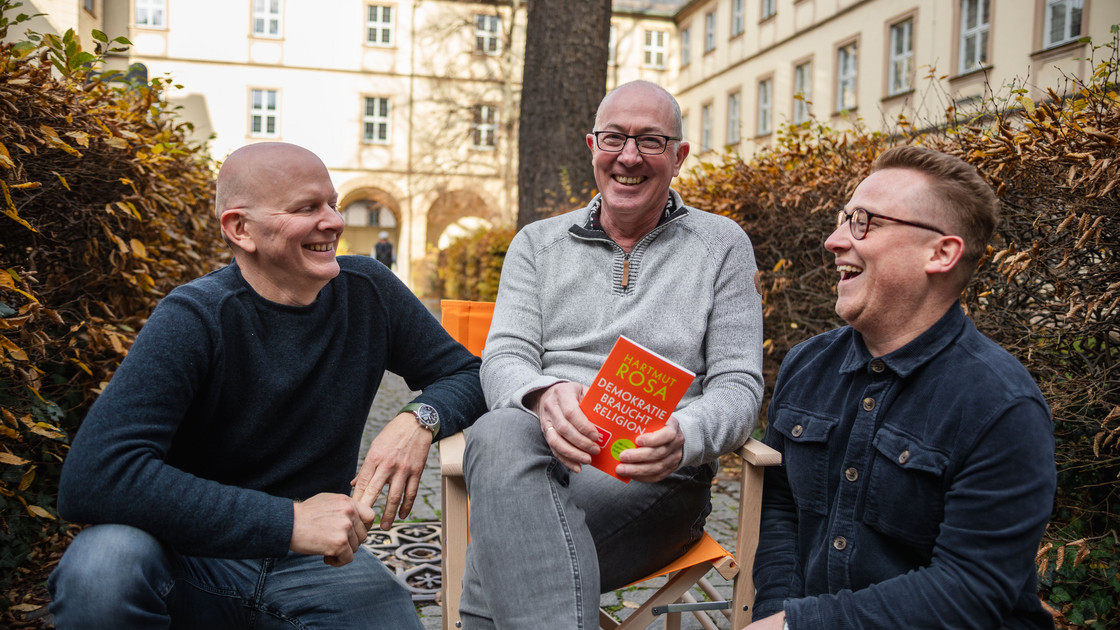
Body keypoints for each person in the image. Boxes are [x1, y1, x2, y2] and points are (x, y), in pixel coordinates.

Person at [48, 142, 487, 628]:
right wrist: (290, 522)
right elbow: (94, 476)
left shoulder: (369, 290)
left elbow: (468, 373)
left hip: (316, 565)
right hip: (189, 557)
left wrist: (418, 420)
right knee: (101, 569)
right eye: (307, 208)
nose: (334, 222)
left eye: (333, 203)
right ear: (240, 229)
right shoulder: (194, 317)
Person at [458, 80, 765, 628]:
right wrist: (544, 392)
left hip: (651, 474)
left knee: (496, 559)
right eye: (614, 138)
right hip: (542, 454)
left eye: (650, 141)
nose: (629, 156)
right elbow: (504, 356)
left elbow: (740, 386)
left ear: (678, 156)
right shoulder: (537, 244)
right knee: (497, 431)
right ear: (591, 146)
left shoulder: (722, 245)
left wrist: (686, 435)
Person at [748, 146, 1056, 630]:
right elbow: (781, 505)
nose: (833, 240)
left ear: (941, 253)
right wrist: (777, 613)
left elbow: (970, 590)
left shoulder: (1001, 405)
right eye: (842, 219)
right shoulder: (808, 365)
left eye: (864, 222)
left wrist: (800, 625)